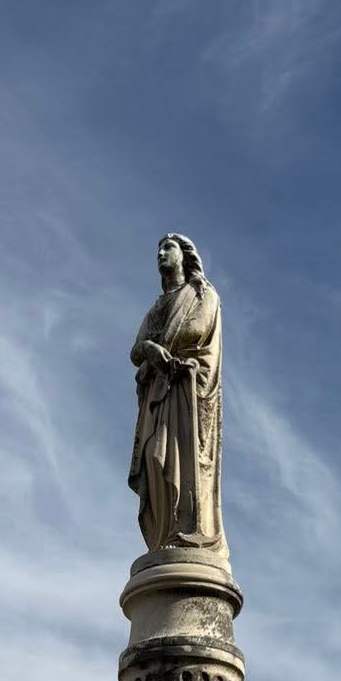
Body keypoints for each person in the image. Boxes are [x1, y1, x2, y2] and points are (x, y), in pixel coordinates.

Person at [128, 233, 224, 551]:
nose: (161, 253)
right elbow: (135, 350)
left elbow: (196, 329)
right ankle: (163, 535)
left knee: (175, 460)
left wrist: (157, 350)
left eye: (168, 247)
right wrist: (148, 348)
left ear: (185, 256)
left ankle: (183, 531)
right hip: (159, 391)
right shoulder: (156, 308)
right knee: (155, 457)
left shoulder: (201, 292)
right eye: (158, 248)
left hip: (185, 389)